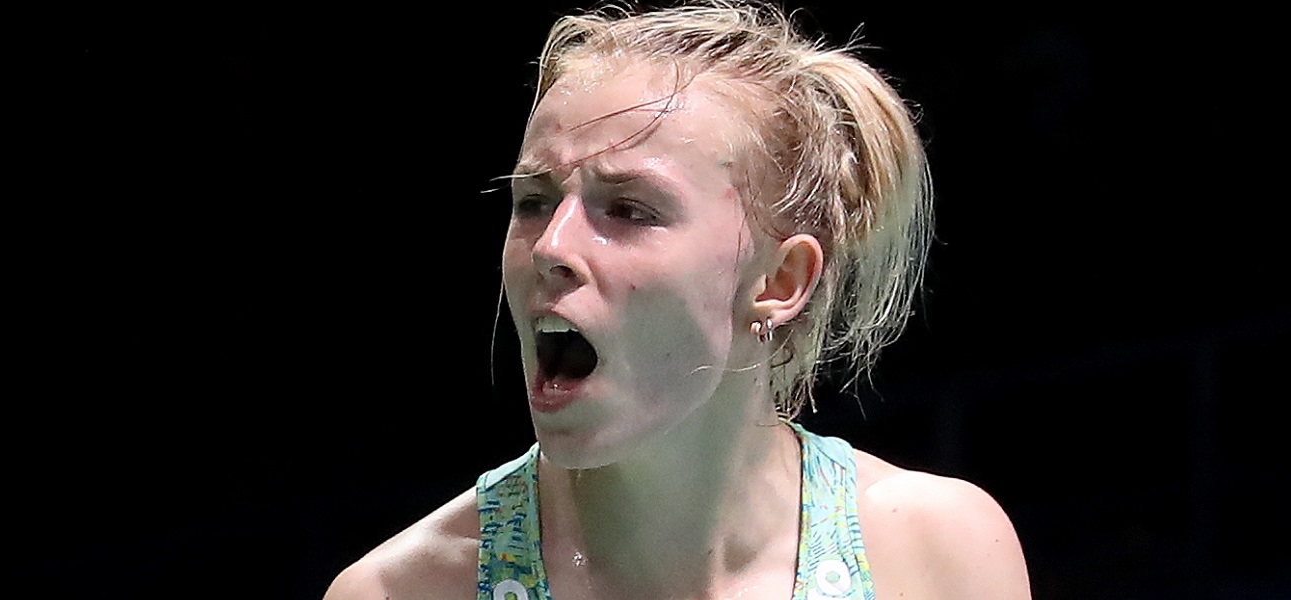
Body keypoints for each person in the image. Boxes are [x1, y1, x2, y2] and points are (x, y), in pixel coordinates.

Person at [328, 2, 1029, 598]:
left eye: (629, 209)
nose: (550, 247)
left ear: (781, 281)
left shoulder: (939, 557)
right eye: (534, 201)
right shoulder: (402, 591)